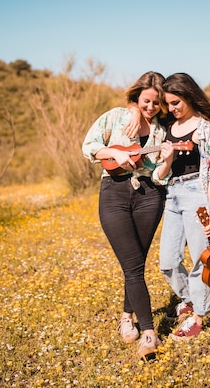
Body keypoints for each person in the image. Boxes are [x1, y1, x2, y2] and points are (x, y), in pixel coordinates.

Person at [82, 71, 173, 358]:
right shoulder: (116, 117)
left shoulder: (162, 129)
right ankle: (149, 333)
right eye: (145, 101)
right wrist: (113, 152)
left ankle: (126, 317)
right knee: (132, 265)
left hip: (149, 195)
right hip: (114, 193)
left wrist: (168, 159)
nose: (150, 107)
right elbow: (89, 146)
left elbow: (160, 176)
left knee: (135, 263)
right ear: (137, 97)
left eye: (156, 103)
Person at [157, 72, 210, 340]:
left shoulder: (205, 128)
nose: (173, 108)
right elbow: (163, 170)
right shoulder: (167, 128)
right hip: (172, 195)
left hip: (197, 196)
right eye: (169, 104)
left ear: (189, 97)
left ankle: (198, 317)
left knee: (202, 259)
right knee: (167, 261)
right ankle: (189, 299)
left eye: (176, 102)